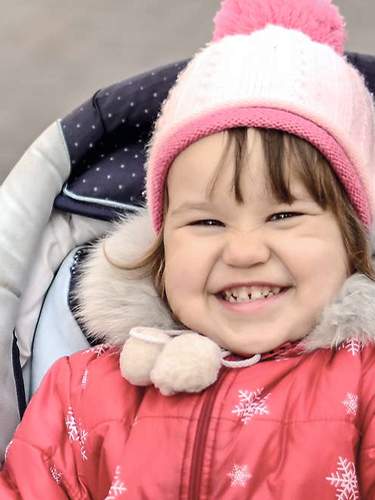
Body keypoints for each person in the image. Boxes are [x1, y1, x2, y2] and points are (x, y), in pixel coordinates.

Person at [1, 0, 375, 497]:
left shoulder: (364, 383)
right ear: (162, 248)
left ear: (350, 238)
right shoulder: (83, 391)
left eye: (283, 216)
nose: (243, 252)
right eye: (206, 221)